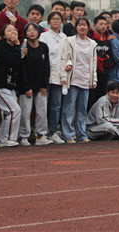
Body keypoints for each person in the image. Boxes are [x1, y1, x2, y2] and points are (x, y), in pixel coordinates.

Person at [60, 17, 97, 143]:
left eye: (84, 25)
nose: (82, 27)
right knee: (69, 108)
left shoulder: (92, 44)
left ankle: (81, 134)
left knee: (82, 109)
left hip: (85, 79)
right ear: (76, 27)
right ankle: (68, 134)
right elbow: (65, 58)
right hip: (73, 79)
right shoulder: (70, 41)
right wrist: (63, 77)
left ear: (88, 27)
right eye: (79, 25)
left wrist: (94, 79)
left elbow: (93, 63)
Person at [17, 23, 52, 146]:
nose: (32, 32)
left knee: (42, 111)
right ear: (25, 33)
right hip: (26, 85)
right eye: (29, 30)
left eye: (34, 30)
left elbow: (46, 66)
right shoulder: (24, 47)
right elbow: (22, 68)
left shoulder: (43, 47)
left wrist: (44, 84)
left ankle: (41, 135)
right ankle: (24, 136)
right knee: (25, 112)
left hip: (40, 84)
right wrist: (27, 87)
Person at [0, 24, 22, 147]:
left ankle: (0, 138)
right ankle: (9, 138)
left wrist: (17, 47)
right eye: (9, 30)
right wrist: (18, 46)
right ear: (3, 35)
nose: (13, 32)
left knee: (10, 111)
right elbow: (13, 62)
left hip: (10, 85)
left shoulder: (13, 47)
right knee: (14, 110)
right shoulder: (1, 46)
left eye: (15, 29)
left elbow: (18, 65)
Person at [39, 11, 67, 144]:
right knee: (43, 105)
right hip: (45, 75)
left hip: (59, 76)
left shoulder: (64, 37)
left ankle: (53, 131)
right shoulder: (43, 36)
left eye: (58, 19)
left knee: (56, 105)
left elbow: (67, 56)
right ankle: (42, 133)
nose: (56, 21)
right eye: (53, 19)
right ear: (49, 21)